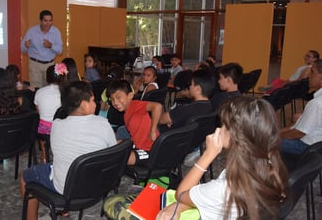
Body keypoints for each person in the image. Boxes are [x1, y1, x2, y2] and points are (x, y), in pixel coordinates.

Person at [156, 96, 289, 220]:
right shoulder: (270, 164)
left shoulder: (224, 189)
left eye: (224, 125)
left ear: (234, 137)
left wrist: (208, 154)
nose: (219, 128)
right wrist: (184, 204)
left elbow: (181, 195)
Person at [20, 81, 117, 220]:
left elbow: (58, 153)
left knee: (25, 176)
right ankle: (63, 210)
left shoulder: (57, 125)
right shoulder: (103, 123)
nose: (95, 103)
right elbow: (112, 151)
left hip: (66, 189)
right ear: (84, 104)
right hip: (98, 186)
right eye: (92, 100)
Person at [107, 79, 163, 166]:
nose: (115, 102)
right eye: (112, 99)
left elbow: (157, 106)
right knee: (111, 144)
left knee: (117, 156)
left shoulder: (135, 105)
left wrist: (153, 130)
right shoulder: (126, 114)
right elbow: (136, 134)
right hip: (138, 146)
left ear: (130, 95)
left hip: (150, 151)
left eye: (118, 98)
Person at [279, 58, 322, 156]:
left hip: (306, 147)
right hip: (316, 146)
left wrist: (274, 138)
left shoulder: (316, 103)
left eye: (312, 73)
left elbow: (298, 133)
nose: (309, 77)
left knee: (260, 143)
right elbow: (297, 126)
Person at [34, 63, 67, 163]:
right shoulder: (66, 93)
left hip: (44, 130)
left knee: (41, 123)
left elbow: (38, 112)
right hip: (61, 129)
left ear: (47, 78)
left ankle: (44, 155)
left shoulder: (39, 92)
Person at [20, 10, 63, 88]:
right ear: (40, 21)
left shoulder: (56, 32)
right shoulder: (32, 31)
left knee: (49, 88)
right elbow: (22, 50)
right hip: (35, 64)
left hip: (49, 65)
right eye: (45, 21)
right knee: (36, 90)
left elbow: (60, 50)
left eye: (50, 21)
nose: (48, 23)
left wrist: (51, 46)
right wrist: (26, 46)